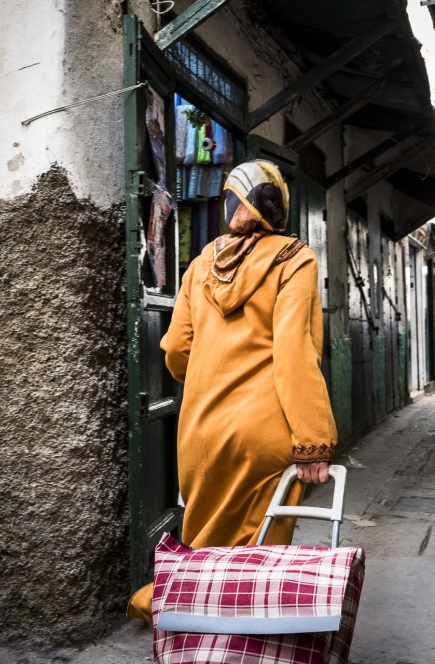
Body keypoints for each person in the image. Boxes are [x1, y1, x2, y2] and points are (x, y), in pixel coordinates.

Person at [126, 160, 338, 623]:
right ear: (275, 204)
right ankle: (193, 618)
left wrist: (210, 375)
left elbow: (176, 350)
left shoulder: (202, 263)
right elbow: (294, 353)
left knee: (205, 547)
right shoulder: (293, 257)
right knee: (254, 561)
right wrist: (313, 440)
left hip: (200, 432)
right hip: (264, 432)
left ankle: (190, 627)